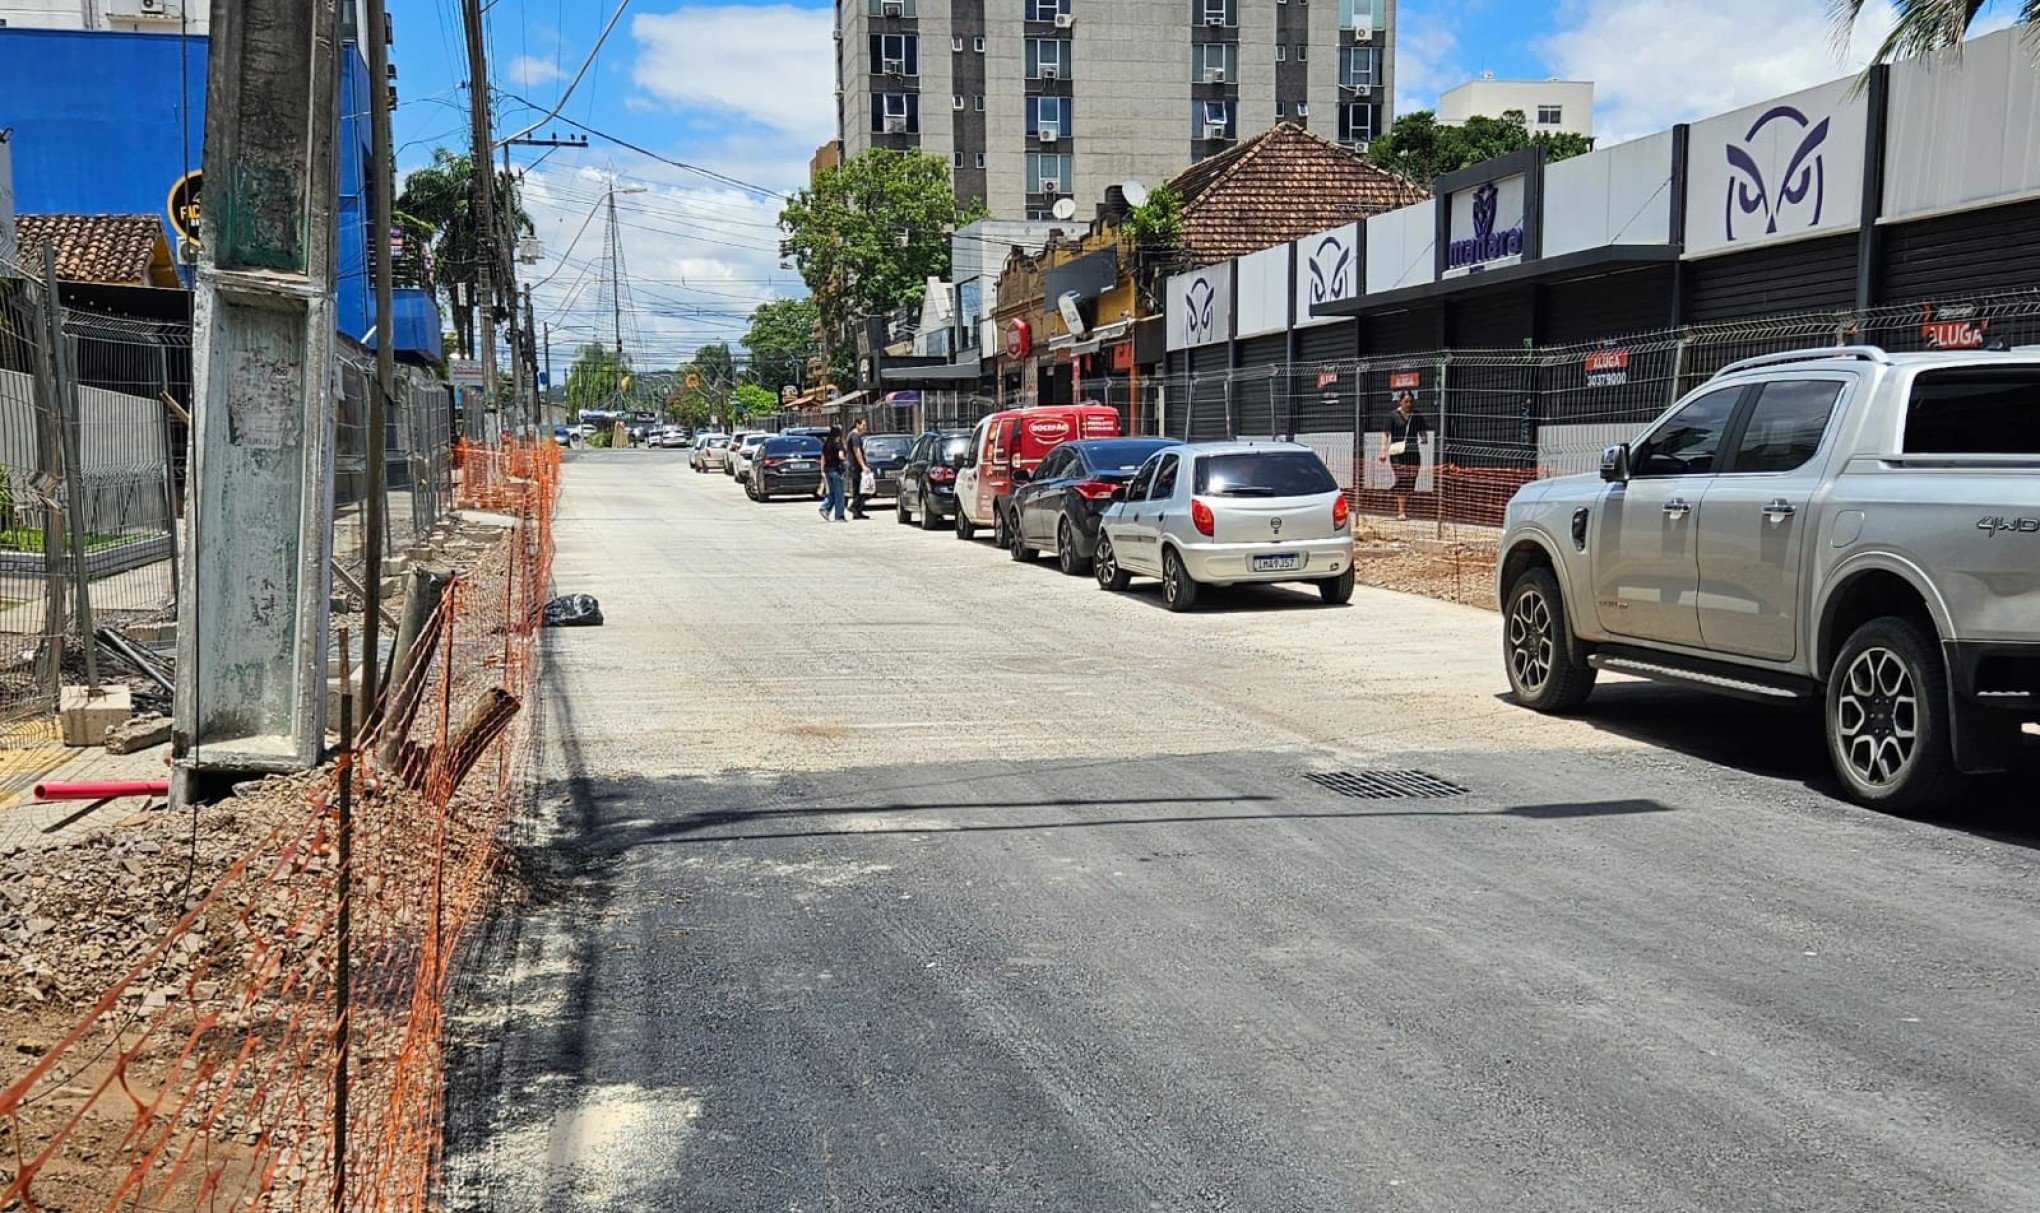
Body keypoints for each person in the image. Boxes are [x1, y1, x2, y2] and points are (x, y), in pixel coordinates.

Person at [1388, 390, 1428, 522]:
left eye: (1411, 401)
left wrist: (1424, 437)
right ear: (1400, 401)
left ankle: (1398, 494)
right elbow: (1386, 434)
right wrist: (1383, 450)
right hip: (1397, 452)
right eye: (1406, 401)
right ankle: (1401, 511)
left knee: (1411, 480)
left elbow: (1422, 430)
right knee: (1402, 478)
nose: (1408, 404)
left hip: (1413, 452)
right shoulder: (1393, 415)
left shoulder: (1417, 415)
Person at [819, 425, 848, 522]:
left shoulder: (826, 444)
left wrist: (822, 470)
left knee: (831, 492)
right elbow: (840, 456)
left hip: (827, 470)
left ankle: (825, 508)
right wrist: (846, 460)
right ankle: (839, 516)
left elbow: (822, 458)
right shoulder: (837, 444)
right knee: (839, 494)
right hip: (836, 470)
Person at [847, 418, 872, 520]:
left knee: (858, 490)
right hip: (855, 466)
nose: (865, 428)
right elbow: (857, 451)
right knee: (865, 490)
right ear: (857, 425)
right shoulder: (854, 436)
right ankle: (853, 506)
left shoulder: (853, 435)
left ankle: (857, 512)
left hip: (855, 466)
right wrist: (863, 466)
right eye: (863, 425)